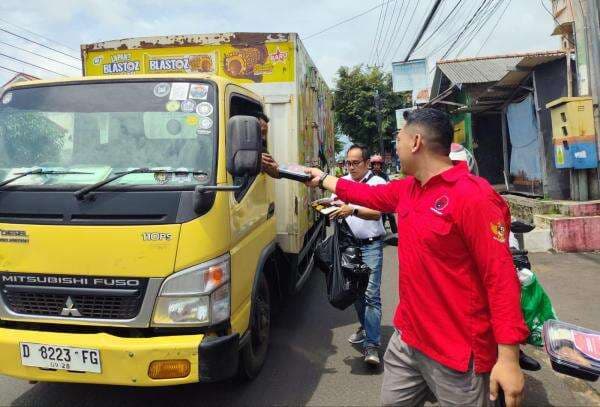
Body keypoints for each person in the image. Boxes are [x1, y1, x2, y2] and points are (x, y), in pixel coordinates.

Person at [305, 108, 528, 407]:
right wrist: (322, 180)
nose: (394, 146)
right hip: (408, 340)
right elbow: (365, 195)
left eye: (398, 138)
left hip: (458, 354)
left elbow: (500, 279)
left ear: (416, 142)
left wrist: (509, 358)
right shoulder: (409, 189)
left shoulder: (474, 197)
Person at [330, 144, 386, 367]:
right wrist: (327, 206)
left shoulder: (377, 183)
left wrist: (351, 209)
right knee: (356, 292)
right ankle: (365, 327)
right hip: (349, 246)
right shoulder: (343, 182)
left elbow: (377, 213)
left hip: (371, 247)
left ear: (366, 163)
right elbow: (334, 202)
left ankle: (372, 346)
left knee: (371, 294)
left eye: (355, 163)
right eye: (347, 163)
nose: (350, 167)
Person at [370, 154, 397, 234]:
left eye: (378, 164)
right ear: (372, 165)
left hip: (383, 198)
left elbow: (388, 185)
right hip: (373, 199)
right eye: (375, 164)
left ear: (380, 165)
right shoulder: (369, 175)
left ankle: (395, 234)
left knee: (391, 215)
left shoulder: (384, 175)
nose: (376, 166)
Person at [257, 112, 280, 179]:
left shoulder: (261, 149)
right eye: (262, 132)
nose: (264, 138)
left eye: (265, 134)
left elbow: (277, 173)